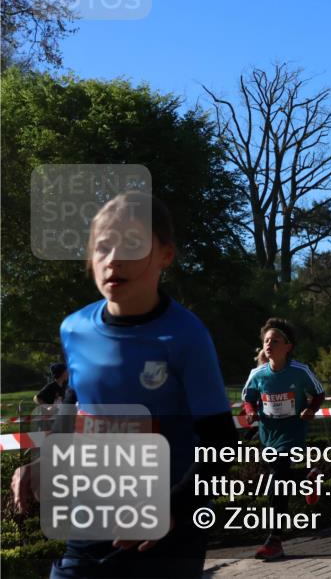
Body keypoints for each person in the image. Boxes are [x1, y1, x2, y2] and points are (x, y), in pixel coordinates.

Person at [12, 192, 238, 578]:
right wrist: (46, 462)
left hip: (168, 536)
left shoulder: (186, 336)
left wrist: (171, 508)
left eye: (132, 244)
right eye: (102, 247)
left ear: (165, 254)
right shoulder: (75, 329)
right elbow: (77, 403)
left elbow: (222, 443)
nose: (113, 258)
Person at [242, 317, 326, 561]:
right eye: (266, 340)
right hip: (268, 434)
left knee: (276, 481)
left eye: (275, 340)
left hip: (292, 433)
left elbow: (319, 393)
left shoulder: (300, 371)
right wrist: (250, 411)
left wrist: (311, 409)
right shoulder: (257, 374)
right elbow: (248, 397)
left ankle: (274, 540)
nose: (269, 344)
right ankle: (308, 477)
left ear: (288, 346)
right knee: (278, 477)